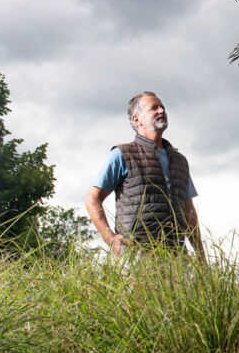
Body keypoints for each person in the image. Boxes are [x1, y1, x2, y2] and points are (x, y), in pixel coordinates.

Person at [85, 91, 206, 260]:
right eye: (153, 108)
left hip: (177, 255)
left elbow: (189, 211)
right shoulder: (122, 154)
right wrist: (110, 239)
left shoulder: (180, 161)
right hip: (136, 254)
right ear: (137, 119)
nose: (161, 111)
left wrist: (201, 256)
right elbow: (92, 199)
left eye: (163, 107)